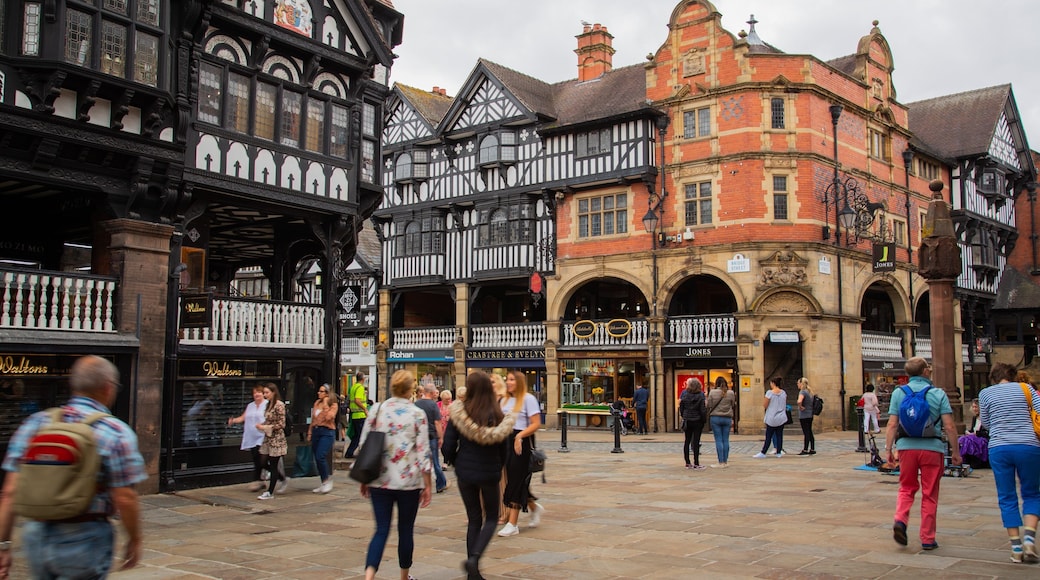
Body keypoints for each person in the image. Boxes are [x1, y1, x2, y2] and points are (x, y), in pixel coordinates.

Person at [0, 355, 146, 579]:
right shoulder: (115, 431)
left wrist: (3, 546)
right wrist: (134, 539)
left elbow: (9, 492)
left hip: (35, 534)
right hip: (85, 536)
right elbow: (125, 497)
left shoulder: (35, 423)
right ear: (108, 388)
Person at [442, 371, 516, 580]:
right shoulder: (497, 415)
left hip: (465, 472)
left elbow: (447, 446)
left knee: (474, 519)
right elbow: (505, 450)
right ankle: (474, 559)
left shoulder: (461, 413)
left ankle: (471, 573)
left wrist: (456, 461)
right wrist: (498, 466)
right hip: (489, 472)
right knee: (491, 517)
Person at [359, 369, 432, 580]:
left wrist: (365, 478)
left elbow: (365, 444)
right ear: (411, 389)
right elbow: (423, 452)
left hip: (379, 479)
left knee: (381, 529)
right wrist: (427, 485)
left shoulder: (377, 409)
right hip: (408, 482)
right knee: (405, 529)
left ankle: (369, 575)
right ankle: (404, 575)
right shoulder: (418, 414)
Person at [885, 357, 961, 551]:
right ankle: (927, 538)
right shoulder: (938, 394)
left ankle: (901, 520)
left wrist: (888, 450)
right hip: (932, 448)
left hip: (906, 447)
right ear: (925, 372)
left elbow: (892, 424)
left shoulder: (898, 393)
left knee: (906, 488)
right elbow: (950, 426)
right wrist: (955, 452)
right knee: (930, 493)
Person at [978, 362, 1040, 563]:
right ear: (1013, 375)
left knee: (1006, 496)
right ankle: (1030, 539)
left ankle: (1016, 547)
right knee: (1031, 493)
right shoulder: (1027, 389)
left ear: (993, 377)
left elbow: (986, 422)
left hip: (999, 447)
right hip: (1028, 445)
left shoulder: (985, 394)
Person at [498, 370, 544, 537]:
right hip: (505, 442)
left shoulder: (528, 399)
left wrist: (520, 436)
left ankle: (513, 523)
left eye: (511, 380)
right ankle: (533, 507)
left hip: (521, 442)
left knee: (516, 480)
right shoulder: (504, 399)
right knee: (515, 480)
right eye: (507, 379)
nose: (508, 382)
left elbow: (536, 423)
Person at [228, 383, 269, 491]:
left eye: (259, 392)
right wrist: (234, 421)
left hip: (263, 436)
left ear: (263, 394)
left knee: (260, 458)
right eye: (255, 393)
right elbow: (243, 417)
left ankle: (259, 479)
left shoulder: (267, 405)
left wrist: (265, 427)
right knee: (256, 458)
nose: (257, 395)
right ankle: (262, 480)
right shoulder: (250, 405)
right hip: (252, 435)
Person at [256, 383, 290, 500]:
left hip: (276, 439)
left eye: (267, 392)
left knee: (274, 464)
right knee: (262, 462)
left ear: (273, 392)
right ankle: (281, 478)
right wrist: (262, 426)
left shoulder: (279, 405)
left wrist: (267, 427)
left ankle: (270, 492)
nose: (265, 395)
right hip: (267, 438)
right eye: (264, 392)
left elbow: (282, 424)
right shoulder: (268, 405)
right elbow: (268, 419)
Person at [415, 382, 448, 493]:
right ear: (432, 392)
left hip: (419, 437)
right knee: (435, 462)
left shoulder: (416, 404)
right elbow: (437, 422)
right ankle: (440, 484)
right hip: (432, 436)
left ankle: (420, 485)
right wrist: (441, 437)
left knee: (419, 461)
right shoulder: (433, 405)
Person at [307, 384, 338, 494]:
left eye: (321, 391)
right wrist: (310, 432)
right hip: (316, 431)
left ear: (327, 393)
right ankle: (323, 481)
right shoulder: (316, 403)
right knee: (317, 457)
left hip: (327, 432)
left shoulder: (333, 405)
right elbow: (313, 419)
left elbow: (329, 417)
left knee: (321, 455)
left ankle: (327, 481)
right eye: (319, 391)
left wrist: (325, 404)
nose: (318, 393)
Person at [754, 377, 787, 458]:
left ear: (773, 383)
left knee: (769, 436)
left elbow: (765, 404)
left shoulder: (770, 393)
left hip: (772, 417)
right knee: (779, 435)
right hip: (781, 416)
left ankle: (763, 452)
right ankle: (778, 452)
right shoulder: (783, 393)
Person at [706, 376, 735, 468]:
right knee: (725, 439)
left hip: (715, 417)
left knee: (718, 439)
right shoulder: (730, 393)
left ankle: (720, 462)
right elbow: (733, 404)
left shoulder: (712, 392)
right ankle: (725, 461)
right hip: (727, 418)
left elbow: (709, 405)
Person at [679, 378, 707, 469]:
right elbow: (702, 409)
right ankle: (696, 463)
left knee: (687, 441)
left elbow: (681, 407)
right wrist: (704, 420)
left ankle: (687, 462)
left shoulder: (684, 394)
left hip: (687, 420)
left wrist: (684, 415)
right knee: (696, 441)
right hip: (697, 420)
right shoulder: (701, 395)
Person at [958, 399, 990, 469]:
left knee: (969, 441)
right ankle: (964, 459)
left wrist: (976, 433)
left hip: (983, 438)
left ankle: (975, 461)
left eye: (976, 407)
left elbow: (987, 432)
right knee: (962, 439)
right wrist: (968, 432)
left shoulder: (986, 418)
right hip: (974, 437)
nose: (974, 409)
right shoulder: (974, 418)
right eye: (973, 407)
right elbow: (973, 429)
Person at [344, 371, 368, 459]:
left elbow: (351, 400)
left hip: (354, 415)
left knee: (357, 436)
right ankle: (363, 454)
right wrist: (365, 409)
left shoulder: (353, 387)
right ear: (362, 379)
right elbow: (357, 400)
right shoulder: (360, 388)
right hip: (360, 415)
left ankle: (349, 453)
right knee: (362, 435)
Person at [796, 377, 816, 455]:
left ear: (801, 383)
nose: (797, 384)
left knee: (806, 432)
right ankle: (812, 448)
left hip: (804, 415)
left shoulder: (802, 392)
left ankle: (805, 449)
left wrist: (800, 406)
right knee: (810, 431)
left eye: (798, 383)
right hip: (810, 414)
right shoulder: (809, 392)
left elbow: (799, 401)